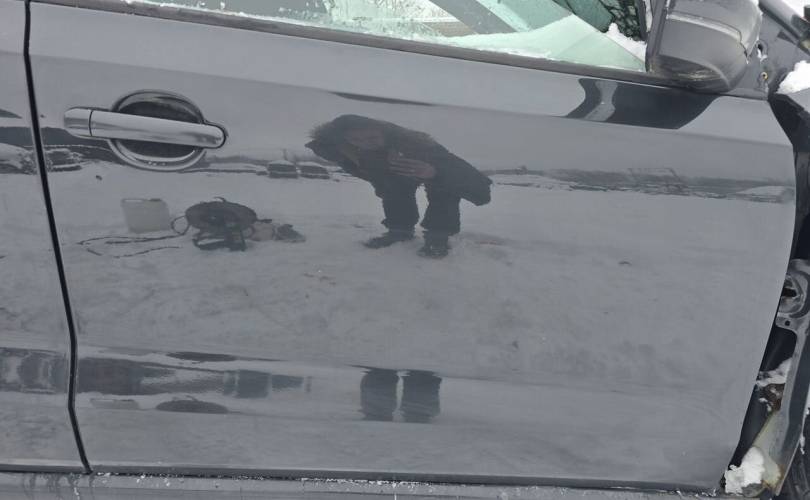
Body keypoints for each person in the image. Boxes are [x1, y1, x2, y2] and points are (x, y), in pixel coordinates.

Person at [306, 115, 492, 258]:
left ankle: (438, 237)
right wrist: (384, 182)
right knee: (392, 188)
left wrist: (434, 172)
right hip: (394, 174)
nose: (364, 144)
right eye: (355, 139)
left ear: (385, 133)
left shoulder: (420, 145)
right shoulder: (344, 149)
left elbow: (465, 176)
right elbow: (374, 176)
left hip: (433, 170)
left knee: (443, 190)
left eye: (372, 138)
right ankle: (399, 231)